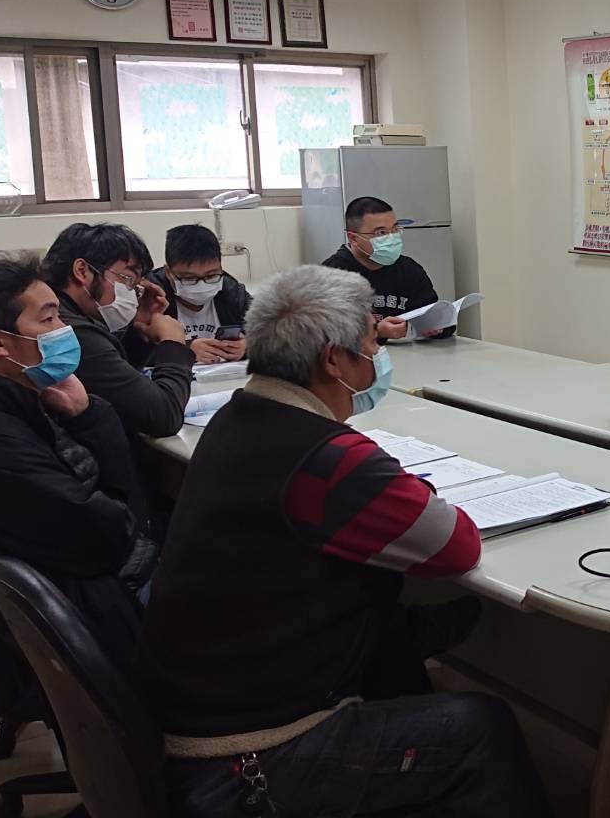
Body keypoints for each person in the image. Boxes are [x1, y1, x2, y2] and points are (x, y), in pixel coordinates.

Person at [144, 265, 549, 818]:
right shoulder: (329, 458)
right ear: (333, 360)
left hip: (200, 708)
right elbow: (456, 545)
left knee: (391, 642)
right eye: (370, 344)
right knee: (480, 727)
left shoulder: (236, 417)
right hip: (250, 758)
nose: (377, 357)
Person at [0, 253, 154, 675]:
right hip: (87, 623)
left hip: (91, 591)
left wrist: (87, 414)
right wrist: (96, 424)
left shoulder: (15, 398)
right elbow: (111, 534)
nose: (64, 329)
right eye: (49, 319)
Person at [42, 222, 192, 438]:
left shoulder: (69, 314)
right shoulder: (70, 331)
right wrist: (173, 345)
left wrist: (139, 333)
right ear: (82, 271)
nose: (132, 293)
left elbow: (116, 386)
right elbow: (164, 416)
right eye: (127, 279)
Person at [323, 196, 452, 341]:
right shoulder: (331, 275)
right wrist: (375, 332)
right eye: (381, 233)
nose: (391, 238)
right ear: (353, 238)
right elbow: (322, 334)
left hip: (410, 353)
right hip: (356, 355)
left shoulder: (409, 270)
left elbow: (432, 313)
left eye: (395, 229)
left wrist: (439, 326)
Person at [146, 224, 252, 364]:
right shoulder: (151, 297)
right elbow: (128, 354)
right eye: (189, 278)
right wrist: (184, 350)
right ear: (168, 272)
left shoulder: (233, 293)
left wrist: (248, 347)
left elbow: (271, 336)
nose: (201, 285)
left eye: (211, 276)